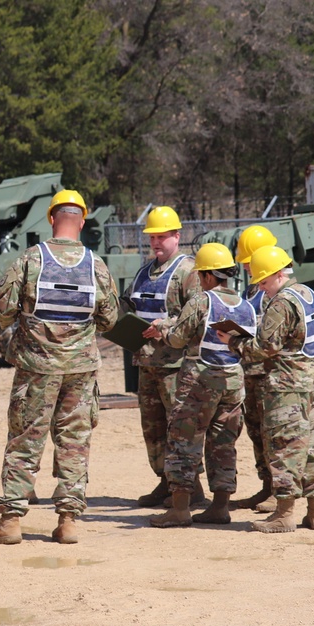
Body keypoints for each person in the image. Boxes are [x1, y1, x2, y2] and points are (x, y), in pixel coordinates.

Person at [0, 190, 119, 545]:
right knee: (74, 442)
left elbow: (4, 311)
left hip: (37, 369)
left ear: (52, 219)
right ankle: (68, 520)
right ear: (82, 221)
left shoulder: (31, 259)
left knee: (25, 440)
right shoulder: (96, 265)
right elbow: (110, 319)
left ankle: (11, 521)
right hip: (81, 371)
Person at [218, 245, 314, 533]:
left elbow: (264, 348)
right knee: (313, 447)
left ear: (280, 274)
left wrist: (232, 341)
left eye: (265, 282)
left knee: (285, 448)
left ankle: (284, 514)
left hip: (286, 388)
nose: (263, 289)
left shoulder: (281, 303)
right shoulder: (308, 294)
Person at [143, 243, 255, 527]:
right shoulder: (244, 305)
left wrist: (163, 329)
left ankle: (180, 508)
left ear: (206, 275)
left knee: (184, 441)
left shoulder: (201, 301)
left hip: (200, 382)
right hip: (233, 381)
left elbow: (178, 340)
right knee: (223, 444)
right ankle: (220, 506)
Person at [123, 206, 202, 507]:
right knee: (153, 429)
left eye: (162, 236)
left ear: (176, 236)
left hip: (177, 367)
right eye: (152, 237)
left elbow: (197, 314)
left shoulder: (188, 272)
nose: (156, 242)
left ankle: (191, 487)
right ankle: (166, 482)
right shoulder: (144, 272)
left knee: (180, 428)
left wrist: (165, 327)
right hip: (147, 365)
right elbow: (129, 306)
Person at [231, 225, 278, 511]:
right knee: (257, 432)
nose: (247, 269)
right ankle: (266, 485)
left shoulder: (275, 291)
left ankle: (279, 490)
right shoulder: (253, 289)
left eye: (248, 262)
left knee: (274, 434)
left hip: (269, 374)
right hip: (251, 372)